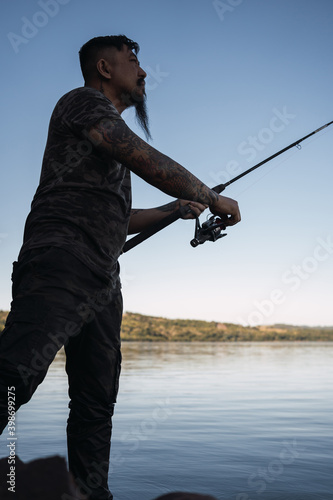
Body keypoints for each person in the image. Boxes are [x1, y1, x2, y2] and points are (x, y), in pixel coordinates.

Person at [0, 35, 240, 499]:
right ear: (105, 68)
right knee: (15, 376)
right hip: (60, 263)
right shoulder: (83, 103)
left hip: (103, 279)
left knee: (95, 403)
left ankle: (91, 496)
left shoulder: (107, 143)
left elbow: (120, 218)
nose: (144, 72)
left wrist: (174, 209)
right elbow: (140, 154)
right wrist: (212, 198)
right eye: (134, 61)